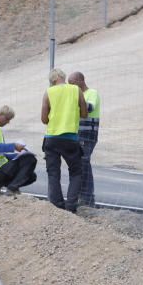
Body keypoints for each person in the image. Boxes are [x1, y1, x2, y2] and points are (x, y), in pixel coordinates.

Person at [41, 68, 87, 213]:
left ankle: (57, 206)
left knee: (53, 173)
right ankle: (71, 206)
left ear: (52, 80)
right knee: (76, 172)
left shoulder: (48, 92)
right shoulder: (75, 90)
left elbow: (44, 119)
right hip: (70, 138)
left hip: (52, 138)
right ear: (63, 77)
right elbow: (84, 114)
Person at [0, 105, 38, 196]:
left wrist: (18, 155)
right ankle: (12, 189)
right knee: (30, 159)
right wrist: (14, 146)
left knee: (31, 176)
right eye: (7, 119)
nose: (8, 122)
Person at [68, 71, 100, 208]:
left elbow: (90, 107)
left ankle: (87, 198)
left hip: (88, 136)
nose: (72, 87)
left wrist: (74, 101)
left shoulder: (92, 93)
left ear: (81, 81)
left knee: (84, 163)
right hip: (78, 135)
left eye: (73, 83)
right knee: (79, 164)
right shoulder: (76, 94)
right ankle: (83, 196)